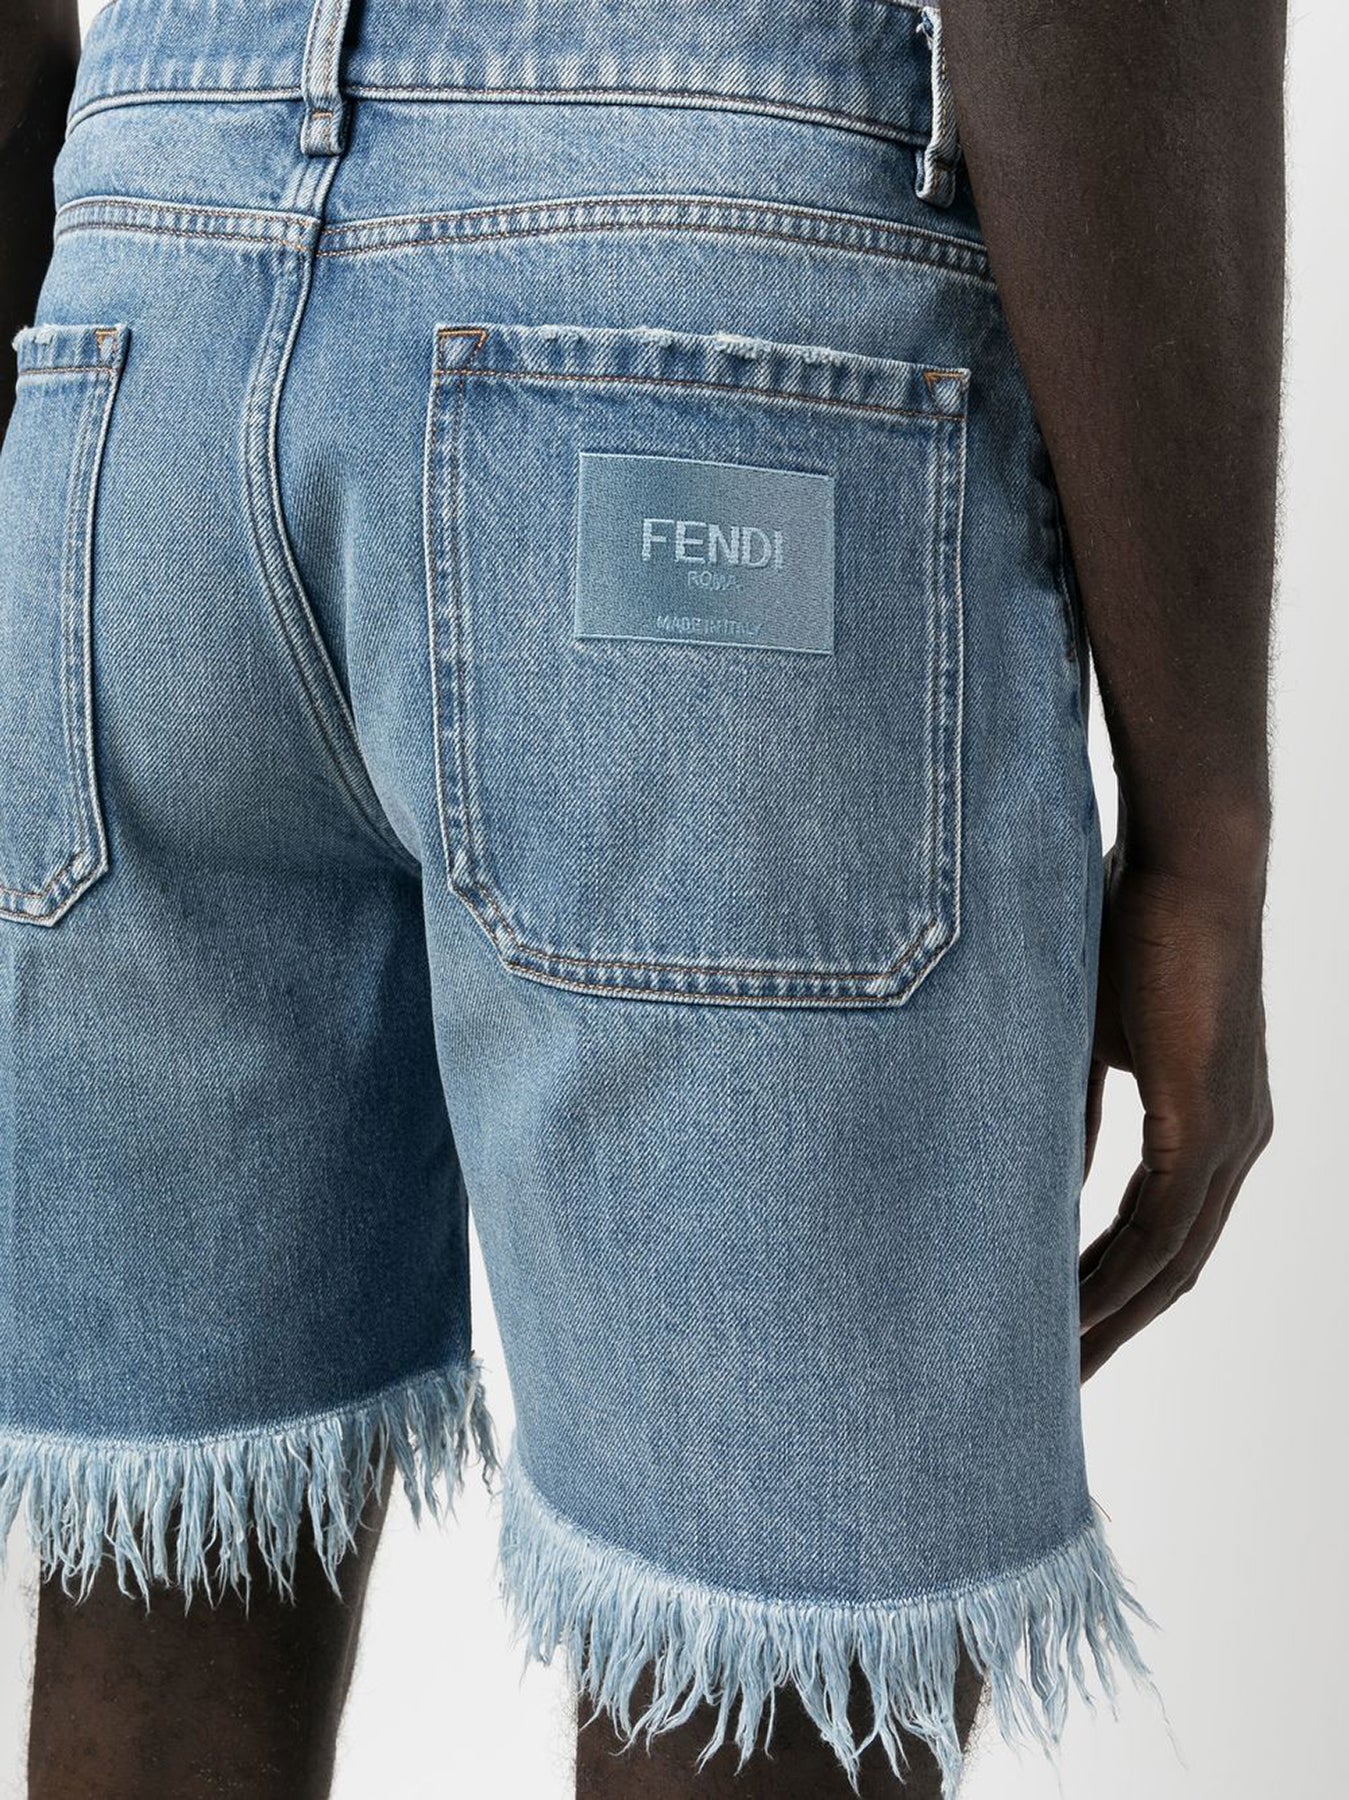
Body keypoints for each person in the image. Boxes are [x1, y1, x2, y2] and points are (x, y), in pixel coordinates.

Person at [0, 0, 1280, 1796]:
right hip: (701, 264)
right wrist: (1205, 824)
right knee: (758, 1673)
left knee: (169, 1574)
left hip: (135, 305)